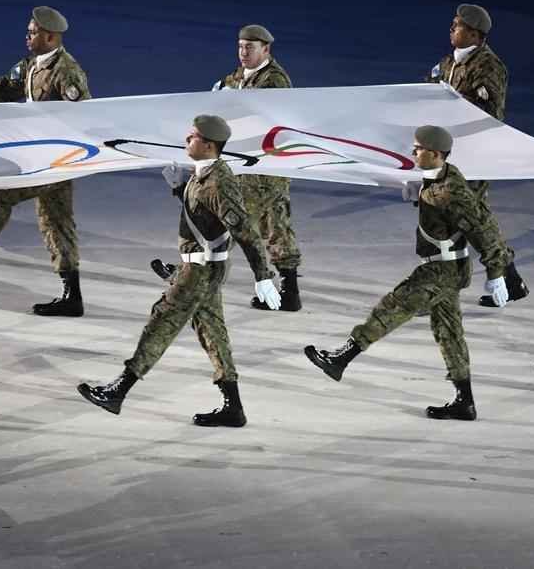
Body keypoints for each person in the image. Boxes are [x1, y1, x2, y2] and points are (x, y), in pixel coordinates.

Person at [77, 115, 281, 427]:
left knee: (162, 321)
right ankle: (233, 407)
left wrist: (263, 276)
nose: (188, 138)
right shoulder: (203, 175)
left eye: (194, 136)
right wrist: (179, 188)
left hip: (198, 271)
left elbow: (246, 232)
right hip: (204, 268)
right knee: (213, 333)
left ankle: (118, 391)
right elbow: (203, 217)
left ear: (209, 145)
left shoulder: (218, 182)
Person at [303, 125, 511, 421]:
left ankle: (342, 357)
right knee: (449, 333)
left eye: (418, 149)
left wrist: (496, 271)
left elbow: (482, 227)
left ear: (435, 153)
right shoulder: (442, 176)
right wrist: (421, 192)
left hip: (442, 269)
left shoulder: (451, 190)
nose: (413, 152)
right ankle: (464, 400)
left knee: (394, 306)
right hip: (446, 267)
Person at [0, 6, 91, 317]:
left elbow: (82, 116)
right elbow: (2, 86)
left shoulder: (67, 73)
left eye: (33, 33)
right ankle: (72, 296)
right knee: (57, 223)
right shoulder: (32, 64)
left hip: (54, 161)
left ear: (50, 37)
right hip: (45, 159)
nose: (27, 36)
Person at [152, 24, 304, 311]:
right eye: (240, 46)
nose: (243, 52)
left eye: (250, 47)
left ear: (266, 50)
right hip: (254, 168)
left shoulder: (275, 82)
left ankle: (190, 276)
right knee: (276, 227)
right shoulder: (237, 77)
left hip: (264, 171)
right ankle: (290, 292)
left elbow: (264, 120)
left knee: (227, 221)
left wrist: (229, 108)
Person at [425, 3, 528, 306]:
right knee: (470, 220)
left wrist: (449, 105)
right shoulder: (447, 63)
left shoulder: (489, 67)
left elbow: (488, 113)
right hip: (446, 156)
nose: (451, 29)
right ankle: (508, 276)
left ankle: (444, 288)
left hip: (474, 155)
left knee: (462, 219)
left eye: (456, 25)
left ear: (474, 33)